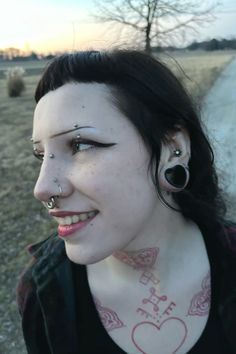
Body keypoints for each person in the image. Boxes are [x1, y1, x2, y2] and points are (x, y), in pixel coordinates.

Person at [16, 50, 236, 354]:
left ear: (173, 148)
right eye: (42, 155)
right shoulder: (44, 293)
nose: (42, 188)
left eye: (80, 145)